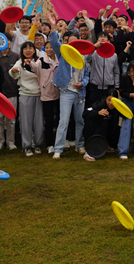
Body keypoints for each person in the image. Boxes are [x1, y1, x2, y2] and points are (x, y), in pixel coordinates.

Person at [48, 11, 89, 159]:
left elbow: (86, 76)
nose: (72, 44)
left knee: (80, 120)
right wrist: (53, 27)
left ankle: (79, 145)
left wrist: (82, 83)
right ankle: (58, 149)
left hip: (80, 93)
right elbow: (54, 42)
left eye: (75, 42)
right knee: (64, 121)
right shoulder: (63, 54)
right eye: (70, 42)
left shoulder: (83, 58)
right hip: (66, 91)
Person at [9, 41, 44, 156]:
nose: (28, 50)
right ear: (22, 51)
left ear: (34, 50)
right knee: (26, 122)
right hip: (25, 94)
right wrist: (13, 71)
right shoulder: (20, 62)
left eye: (30, 48)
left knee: (39, 122)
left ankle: (38, 144)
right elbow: (13, 72)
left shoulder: (39, 61)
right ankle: (27, 146)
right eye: (25, 48)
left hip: (39, 95)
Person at [36, 34, 60, 153]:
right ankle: (50, 144)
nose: (49, 49)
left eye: (51, 47)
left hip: (59, 94)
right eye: (47, 47)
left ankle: (60, 143)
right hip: (46, 95)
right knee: (49, 121)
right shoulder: (41, 61)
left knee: (60, 120)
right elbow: (34, 67)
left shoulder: (59, 60)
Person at [0, 42, 20, 151]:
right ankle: (0, 141)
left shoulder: (15, 56)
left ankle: (11, 142)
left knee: (11, 119)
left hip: (12, 91)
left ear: (10, 42)